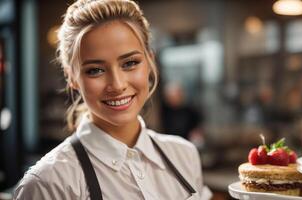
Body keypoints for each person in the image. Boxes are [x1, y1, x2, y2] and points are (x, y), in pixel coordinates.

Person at [13, 0, 212, 199]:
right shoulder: (48, 184)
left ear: (149, 62)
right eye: (95, 70)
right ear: (71, 77)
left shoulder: (185, 155)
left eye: (130, 63)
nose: (117, 85)